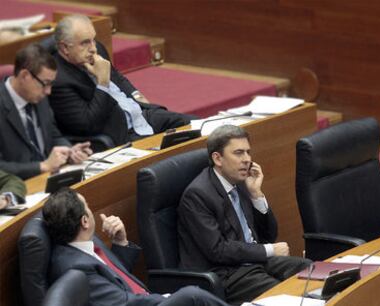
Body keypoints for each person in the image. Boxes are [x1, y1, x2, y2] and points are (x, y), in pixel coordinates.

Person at [178, 125, 312, 305]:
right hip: (228, 274)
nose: (247, 159)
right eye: (239, 153)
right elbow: (218, 250)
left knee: (312, 273)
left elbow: (268, 235)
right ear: (218, 158)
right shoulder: (197, 195)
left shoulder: (239, 182)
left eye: (248, 152)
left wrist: (256, 195)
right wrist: (269, 250)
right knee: (285, 296)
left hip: (253, 262)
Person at [42, 188, 230, 306]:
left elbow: (116, 279)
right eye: (88, 207)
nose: (91, 211)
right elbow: (121, 302)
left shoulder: (81, 244)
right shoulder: (74, 267)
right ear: (84, 221)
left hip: (142, 299)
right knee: (191, 296)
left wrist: (120, 242)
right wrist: (165, 298)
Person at [49, 14, 196, 146]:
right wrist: (103, 83)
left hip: (143, 116)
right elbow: (88, 124)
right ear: (64, 48)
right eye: (85, 43)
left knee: (199, 127)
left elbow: (117, 77)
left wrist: (137, 95)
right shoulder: (59, 80)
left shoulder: (96, 50)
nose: (93, 48)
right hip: (122, 132)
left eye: (93, 40)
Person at [0, 43, 92, 180]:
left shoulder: (38, 97)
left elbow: (53, 135)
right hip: (17, 187)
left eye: (51, 84)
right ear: (25, 75)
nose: (48, 91)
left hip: (50, 178)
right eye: (45, 83)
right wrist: (42, 166)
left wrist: (69, 151)